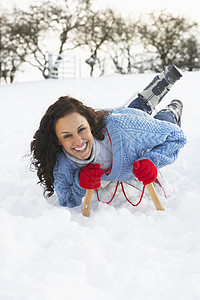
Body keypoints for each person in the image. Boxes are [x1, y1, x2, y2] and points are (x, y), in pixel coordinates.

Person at [30, 65, 187, 208]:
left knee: (157, 122)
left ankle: (171, 110)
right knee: (131, 119)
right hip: (121, 125)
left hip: (127, 126)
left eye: (81, 130)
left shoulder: (126, 128)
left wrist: (152, 161)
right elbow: (67, 200)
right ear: (57, 139)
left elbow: (176, 137)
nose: (78, 141)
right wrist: (80, 182)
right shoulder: (64, 163)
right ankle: (145, 101)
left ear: (90, 125)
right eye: (67, 136)